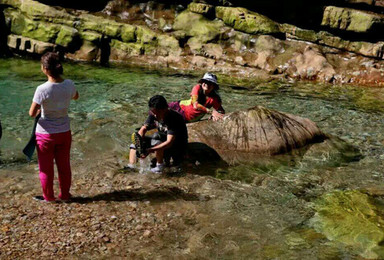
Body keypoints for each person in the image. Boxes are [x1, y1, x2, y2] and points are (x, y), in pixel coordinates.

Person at [29, 52, 79, 202]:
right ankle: (65, 195)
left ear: (44, 68)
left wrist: (40, 110)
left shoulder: (42, 89)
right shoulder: (69, 84)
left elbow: (32, 113)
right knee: (64, 166)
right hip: (64, 132)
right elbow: (76, 96)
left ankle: (49, 197)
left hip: (45, 134)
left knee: (46, 168)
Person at [126, 95, 188, 173]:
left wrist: (150, 150)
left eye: (157, 112)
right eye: (153, 112)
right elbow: (143, 129)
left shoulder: (174, 118)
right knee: (135, 143)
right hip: (163, 139)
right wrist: (140, 144)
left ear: (165, 109)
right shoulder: (154, 113)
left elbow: (169, 142)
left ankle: (160, 166)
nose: (155, 115)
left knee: (156, 137)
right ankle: (131, 166)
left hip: (177, 146)